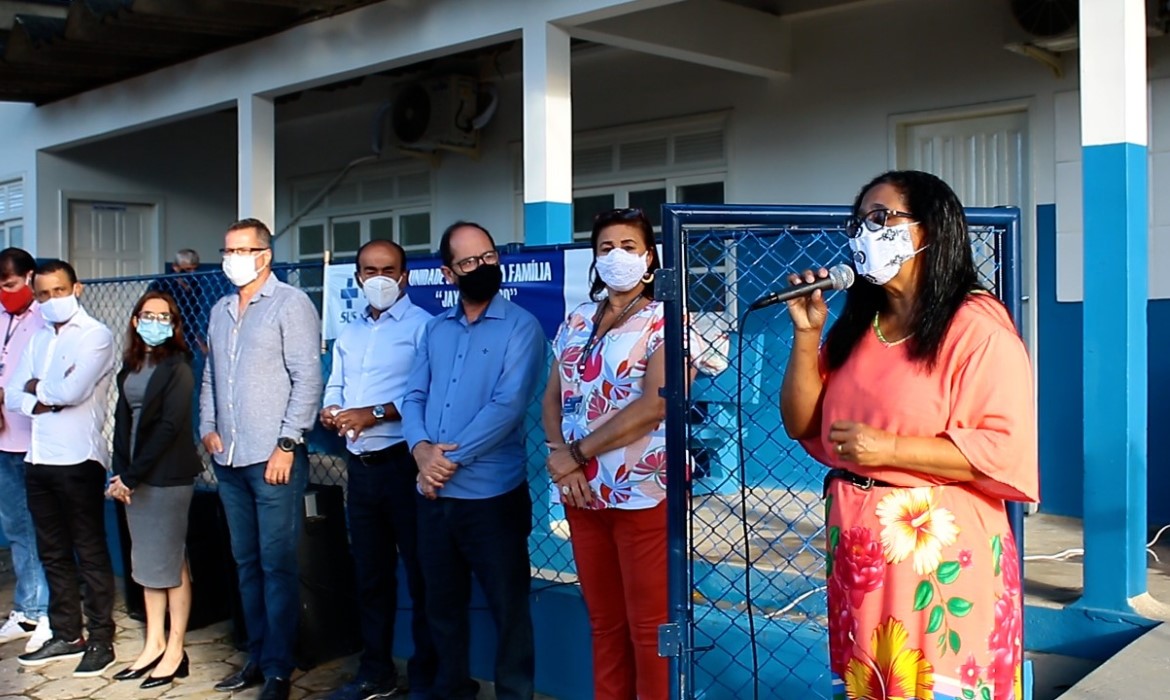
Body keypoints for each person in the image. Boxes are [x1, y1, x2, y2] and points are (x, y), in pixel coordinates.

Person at [779, 170, 1038, 700]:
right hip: (860, 551)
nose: (866, 233)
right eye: (860, 222)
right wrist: (807, 335)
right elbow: (802, 423)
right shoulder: (860, 326)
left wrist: (890, 449)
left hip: (935, 555)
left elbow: (1003, 448)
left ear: (931, 231)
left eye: (883, 218)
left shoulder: (976, 326)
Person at [401, 221, 545, 700]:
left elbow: (507, 407)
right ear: (448, 273)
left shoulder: (522, 327)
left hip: (492, 499)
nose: (481, 267)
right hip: (434, 495)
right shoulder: (435, 330)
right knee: (441, 606)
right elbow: (413, 395)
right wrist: (422, 452)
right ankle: (451, 690)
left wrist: (446, 461)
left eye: (488, 257)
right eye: (468, 262)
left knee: (509, 610)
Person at [541, 207, 671, 700]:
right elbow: (552, 396)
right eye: (605, 248)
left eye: (629, 247)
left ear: (650, 258)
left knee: (649, 628)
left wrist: (575, 452)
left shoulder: (667, 320)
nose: (617, 256)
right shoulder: (576, 320)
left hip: (640, 491)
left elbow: (655, 406)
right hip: (581, 493)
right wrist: (560, 455)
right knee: (604, 623)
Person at [200, 218, 322, 700]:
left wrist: (287, 444)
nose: (233, 258)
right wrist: (207, 427)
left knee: (277, 565)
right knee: (245, 562)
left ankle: (278, 667)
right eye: (228, 249)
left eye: (242, 249)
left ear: (264, 255)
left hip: (273, 460)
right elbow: (211, 375)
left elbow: (307, 380)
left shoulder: (291, 305)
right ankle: (256, 654)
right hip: (228, 459)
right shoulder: (221, 309)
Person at [320, 240, 436, 700]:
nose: (380, 278)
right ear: (359, 277)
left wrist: (376, 414)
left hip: (404, 466)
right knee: (370, 575)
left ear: (405, 275)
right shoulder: (349, 332)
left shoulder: (424, 328)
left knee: (423, 574)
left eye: (389, 270)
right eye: (371, 270)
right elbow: (336, 384)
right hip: (361, 469)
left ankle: (427, 676)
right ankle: (376, 672)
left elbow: (423, 394)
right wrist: (333, 410)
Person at [4, 259, 117, 677]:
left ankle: (101, 638)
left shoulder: (95, 335)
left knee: (89, 551)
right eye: (43, 294)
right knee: (52, 552)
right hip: (39, 457)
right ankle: (68, 634)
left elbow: (71, 391)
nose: (52, 300)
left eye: (59, 291)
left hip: (77, 459)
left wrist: (39, 389)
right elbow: (14, 394)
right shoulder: (36, 338)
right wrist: (40, 395)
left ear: (77, 289)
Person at [108, 290, 203, 689]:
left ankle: (175, 650)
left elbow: (168, 427)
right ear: (134, 320)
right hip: (133, 478)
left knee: (171, 562)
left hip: (166, 477)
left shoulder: (179, 366)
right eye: (149, 315)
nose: (156, 322)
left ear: (174, 324)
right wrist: (120, 474)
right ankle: (153, 643)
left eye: (165, 317)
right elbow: (122, 421)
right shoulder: (129, 366)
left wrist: (133, 475)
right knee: (148, 564)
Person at [0, 248, 52, 654]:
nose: (6, 293)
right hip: (2, 437)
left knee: (42, 526)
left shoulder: (43, 319)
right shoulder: (2, 316)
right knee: (15, 525)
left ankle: (48, 609)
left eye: (11, 284)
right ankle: (27, 607)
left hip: (33, 437)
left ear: (30, 278)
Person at [150, 249, 208, 355]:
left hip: (186, 341)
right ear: (176, 267)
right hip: (164, 338)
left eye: (194, 269)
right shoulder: (161, 285)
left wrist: (199, 341)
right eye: (187, 269)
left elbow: (192, 318)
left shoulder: (196, 287)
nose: (192, 273)